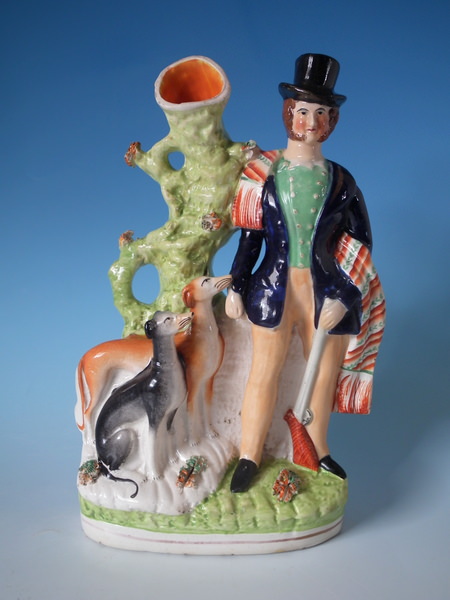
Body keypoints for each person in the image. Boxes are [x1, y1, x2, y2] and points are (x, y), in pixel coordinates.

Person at [226, 53, 379, 493]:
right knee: (263, 373)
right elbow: (250, 236)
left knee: (324, 375)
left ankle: (317, 448)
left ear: (332, 121)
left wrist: (345, 296)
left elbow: (361, 245)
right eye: (304, 111)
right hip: (273, 288)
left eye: (322, 113)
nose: (312, 122)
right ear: (289, 113)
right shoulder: (261, 173)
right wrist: (237, 284)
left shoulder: (342, 180)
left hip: (323, 292)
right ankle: (250, 454)